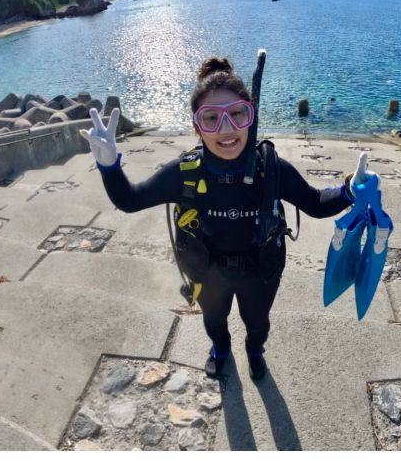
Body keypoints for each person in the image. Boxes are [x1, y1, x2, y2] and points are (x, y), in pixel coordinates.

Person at [81, 57, 371, 381]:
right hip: (207, 270)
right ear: (196, 128)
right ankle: (220, 350)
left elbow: (315, 202)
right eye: (210, 119)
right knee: (214, 321)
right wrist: (109, 167)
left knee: (258, 322)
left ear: (250, 117)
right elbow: (130, 200)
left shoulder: (270, 168)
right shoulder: (184, 173)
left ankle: (254, 351)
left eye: (236, 114)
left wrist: (349, 190)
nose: (227, 129)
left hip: (261, 270)